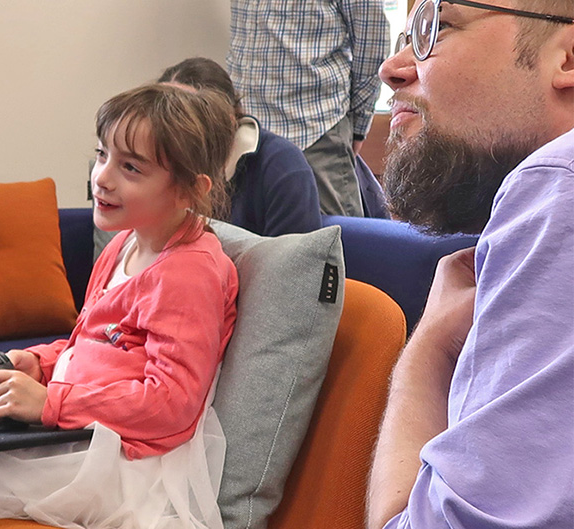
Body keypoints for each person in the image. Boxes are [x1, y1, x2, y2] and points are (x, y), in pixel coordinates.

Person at [0, 83, 240, 529]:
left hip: (127, 462)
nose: (102, 176)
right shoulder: (123, 245)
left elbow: (172, 404)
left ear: (189, 190)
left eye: (130, 167)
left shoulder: (190, 271)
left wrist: (51, 402)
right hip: (77, 435)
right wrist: (38, 363)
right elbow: (87, 347)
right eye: (102, 154)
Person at [365, 1, 574, 528]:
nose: (393, 68)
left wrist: (427, 352)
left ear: (568, 57)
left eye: (440, 26)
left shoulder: (559, 183)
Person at [227, 0, 389, 217]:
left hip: (314, 130)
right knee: (250, 244)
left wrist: (358, 126)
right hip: (246, 131)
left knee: (339, 242)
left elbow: (372, 46)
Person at [158, 57, 322, 236]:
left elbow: (296, 259)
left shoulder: (283, 166)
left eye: (183, 118)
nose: (170, 131)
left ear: (227, 120)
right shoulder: (155, 163)